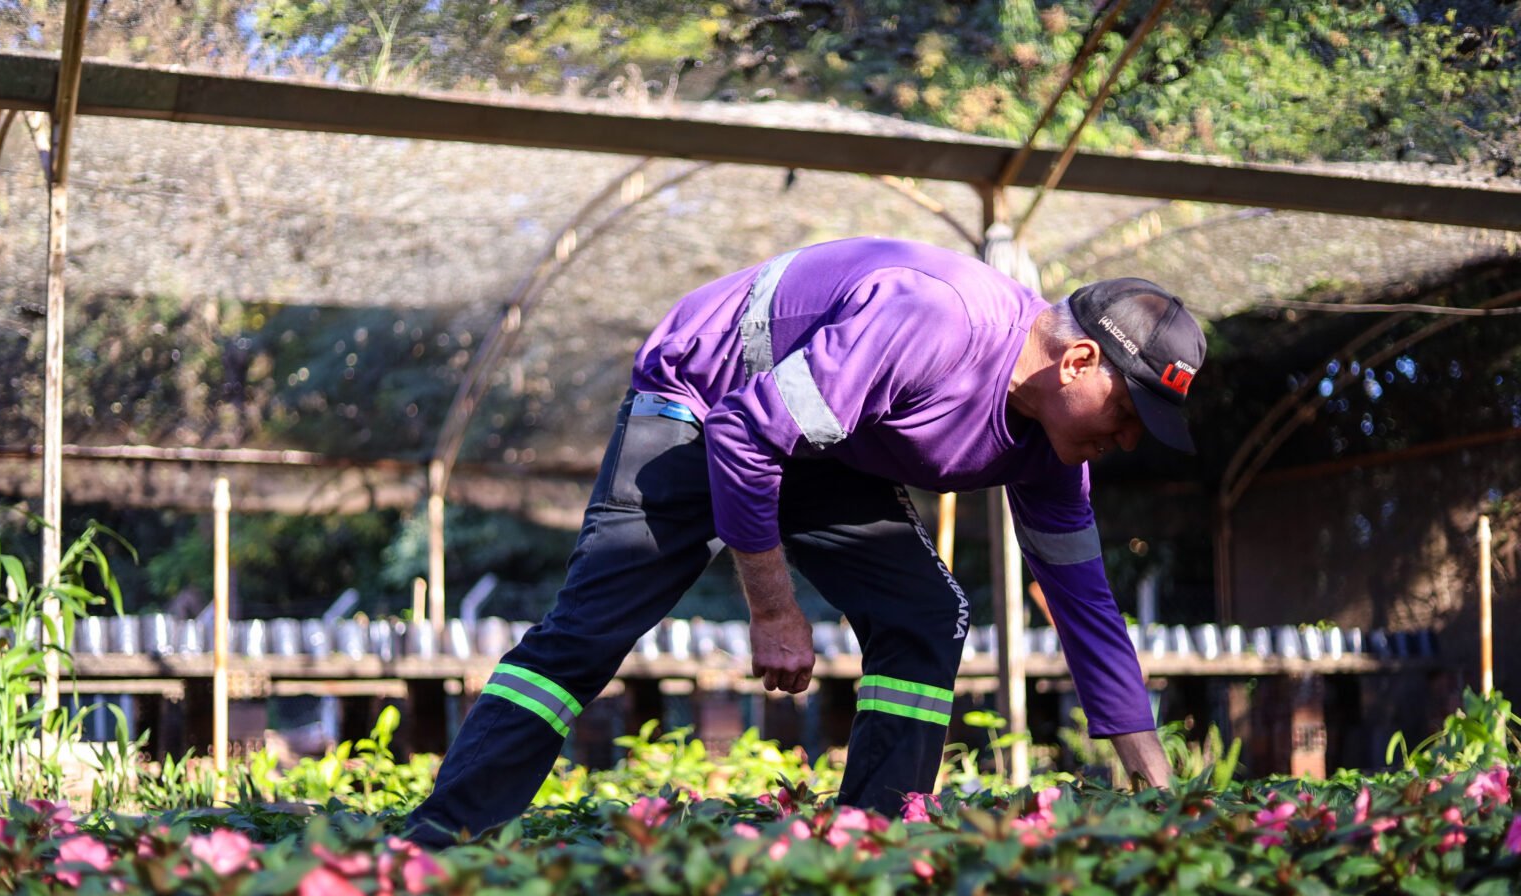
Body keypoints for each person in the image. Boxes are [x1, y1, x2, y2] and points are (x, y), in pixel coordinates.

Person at [404, 236, 1205, 846]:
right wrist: (775, 610)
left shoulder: (1052, 452)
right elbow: (747, 439)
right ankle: (440, 840)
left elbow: (1086, 609)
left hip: (822, 438)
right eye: (1128, 414)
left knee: (925, 617)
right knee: (590, 630)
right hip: (708, 400)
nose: (1129, 441)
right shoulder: (933, 321)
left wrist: (1151, 776)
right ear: (1080, 361)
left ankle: (874, 842)